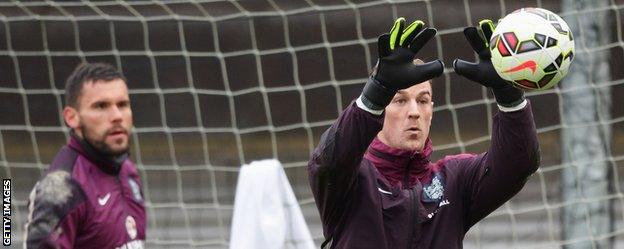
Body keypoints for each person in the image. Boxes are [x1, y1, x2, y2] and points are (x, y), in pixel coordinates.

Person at [308, 18, 540, 248]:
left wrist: (508, 94)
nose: (414, 112)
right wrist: (376, 92)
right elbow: (328, 162)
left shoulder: (454, 180)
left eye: (423, 100)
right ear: (381, 110)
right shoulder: (354, 178)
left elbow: (518, 164)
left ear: (432, 110)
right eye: (399, 100)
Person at [23, 63, 146, 248]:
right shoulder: (61, 191)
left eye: (122, 105)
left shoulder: (127, 170)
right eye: (101, 106)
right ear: (72, 118)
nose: (117, 116)